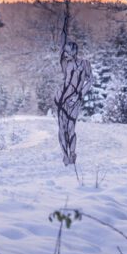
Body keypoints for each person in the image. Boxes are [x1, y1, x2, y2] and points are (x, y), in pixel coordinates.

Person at [55, 37, 93, 166]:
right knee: (61, 129)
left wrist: (79, 95)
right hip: (61, 99)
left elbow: (91, 81)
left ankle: (72, 155)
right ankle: (65, 156)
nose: (65, 54)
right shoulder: (66, 64)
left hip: (75, 100)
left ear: (74, 51)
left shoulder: (85, 64)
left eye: (67, 52)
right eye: (64, 52)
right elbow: (62, 40)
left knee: (71, 129)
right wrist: (65, 21)